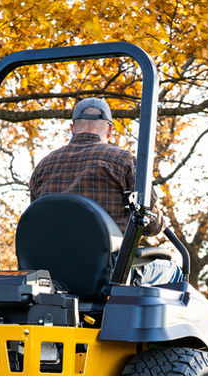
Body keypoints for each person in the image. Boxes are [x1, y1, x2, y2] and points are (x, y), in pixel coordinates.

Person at [29, 97, 183, 286]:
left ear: (72, 128)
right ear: (110, 129)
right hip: (109, 273)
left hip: (53, 275)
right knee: (175, 271)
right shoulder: (123, 161)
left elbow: (37, 223)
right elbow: (151, 225)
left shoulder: (43, 167)